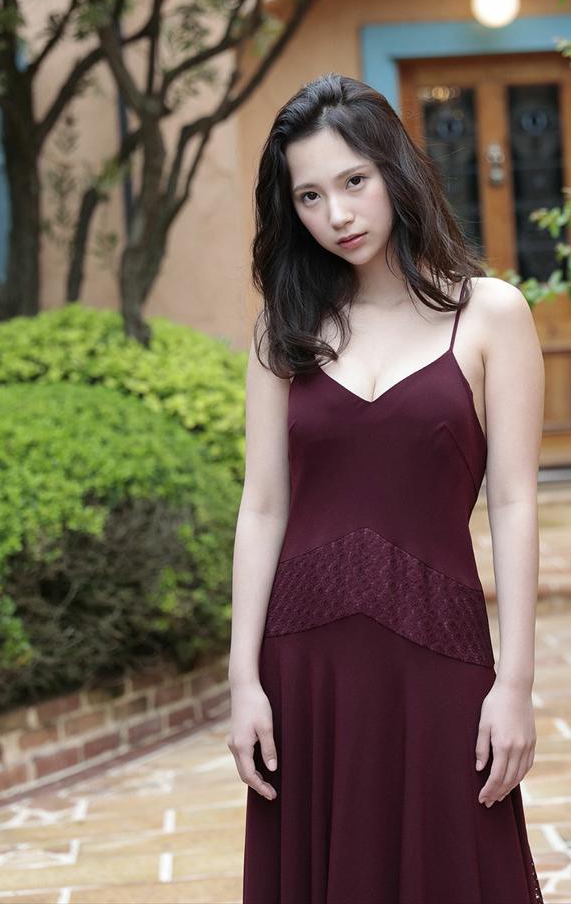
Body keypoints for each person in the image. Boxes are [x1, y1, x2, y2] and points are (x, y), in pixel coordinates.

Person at [228, 72, 545, 903]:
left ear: (394, 171)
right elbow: (262, 507)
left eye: (353, 181)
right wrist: (244, 681)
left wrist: (514, 683)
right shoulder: (283, 331)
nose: (336, 214)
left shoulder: (489, 314)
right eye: (309, 196)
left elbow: (514, 504)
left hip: (439, 661)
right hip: (305, 671)